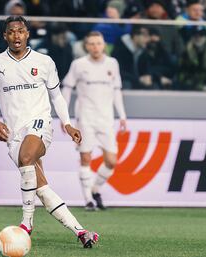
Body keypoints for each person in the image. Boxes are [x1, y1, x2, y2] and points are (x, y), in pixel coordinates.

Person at [0, 15, 99, 248]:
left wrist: (67, 123)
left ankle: (26, 223)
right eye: (12, 31)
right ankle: (81, 231)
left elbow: (56, 96)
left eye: (21, 31)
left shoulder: (44, 62)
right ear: (5, 36)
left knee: (27, 157)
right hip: (13, 133)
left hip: (39, 124)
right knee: (41, 188)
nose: (17, 35)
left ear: (27, 34)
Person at [62, 31, 127, 211]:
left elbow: (117, 91)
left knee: (111, 161)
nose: (95, 47)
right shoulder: (78, 65)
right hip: (86, 118)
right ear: (86, 46)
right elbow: (67, 88)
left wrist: (122, 115)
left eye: (98, 43)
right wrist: (65, 117)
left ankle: (95, 189)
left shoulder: (112, 64)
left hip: (106, 119)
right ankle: (88, 200)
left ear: (104, 45)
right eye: (91, 43)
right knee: (85, 157)